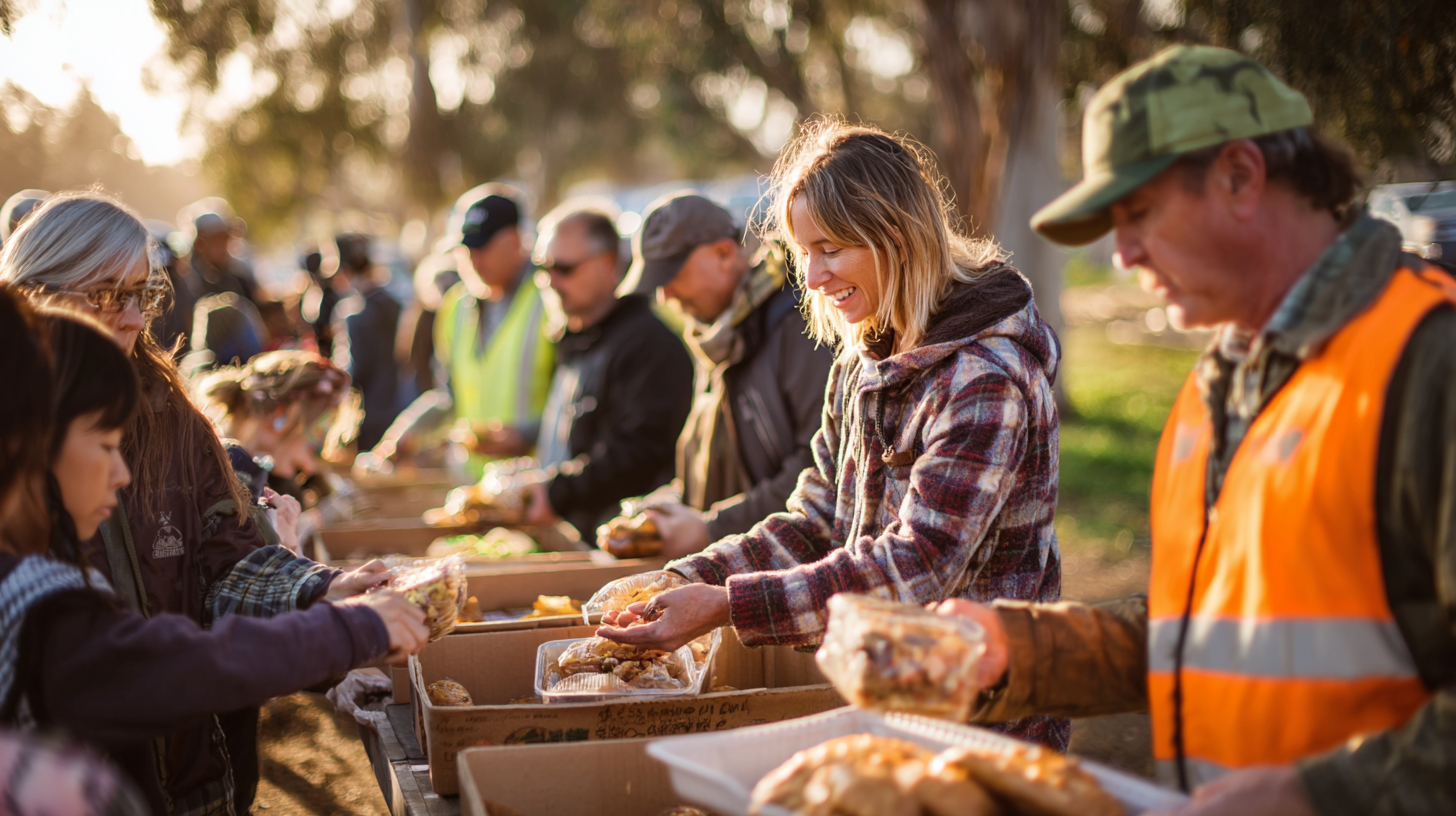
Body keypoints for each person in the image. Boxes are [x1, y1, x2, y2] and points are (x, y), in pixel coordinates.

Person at [932, 45, 1456, 816]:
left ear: (1242, 176)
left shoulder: (1429, 361)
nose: (1124, 253)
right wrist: (1022, 649)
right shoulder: (1217, 383)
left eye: (1138, 213)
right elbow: (1204, 635)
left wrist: (1320, 795)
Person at [599, 121, 1066, 747]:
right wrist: (688, 579)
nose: (812, 279)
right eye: (802, 253)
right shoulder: (859, 362)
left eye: (831, 250)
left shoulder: (984, 380)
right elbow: (816, 518)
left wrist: (727, 605)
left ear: (895, 238)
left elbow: (917, 566)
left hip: (987, 725)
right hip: (887, 704)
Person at [0, 192, 389, 816]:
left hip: (196, 780)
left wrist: (318, 593)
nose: (131, 317)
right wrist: (342, 630)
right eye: (105, 295)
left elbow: (228, 555)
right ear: (31, 295)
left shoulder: (171, 414)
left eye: (143, 294)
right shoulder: (36, 575)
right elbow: (136, 668)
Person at [615, 191, 833, 557]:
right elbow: (712, 473)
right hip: (727, 565)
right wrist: (662, 510)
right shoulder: (716, 335)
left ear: (724, 253)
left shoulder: (798, 326)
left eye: (672, 275)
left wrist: (712, 529)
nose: (666, 297)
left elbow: (817, 467)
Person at [521, 204, 694, 537]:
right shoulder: (577, 337)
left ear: (608, 265)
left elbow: (637, 454)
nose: (549, 281)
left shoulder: (648, 345)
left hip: (621, 548)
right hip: (573, 537)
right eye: (542, 268)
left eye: (564, 268)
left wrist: (557, 493)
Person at [370, 186, 555, 477]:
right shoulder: (454, 306)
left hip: (533, 484)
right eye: (465, 249)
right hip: (472, 483)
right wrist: (406, 434)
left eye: (483, 247)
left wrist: (527, 434)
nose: (472, 259)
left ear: (516, 241)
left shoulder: (550, 298)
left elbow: (574, 401)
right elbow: (448, 394)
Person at [196, 350, 361, 552]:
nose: (309, 466)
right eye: (313, 445)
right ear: (282, 415)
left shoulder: (248, 474)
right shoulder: (217, 480)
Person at [328, 233, 402, 450]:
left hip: (368, 413)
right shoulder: (395, 303)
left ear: (345, 270)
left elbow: (354, 368)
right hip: (400, 408)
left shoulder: (353, 312)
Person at [188, 210, 259, 306]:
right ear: (200, 243)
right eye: (217, 240)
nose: (223, 246)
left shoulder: (236, 277)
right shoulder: (188, 280)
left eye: (225, 239)